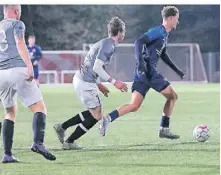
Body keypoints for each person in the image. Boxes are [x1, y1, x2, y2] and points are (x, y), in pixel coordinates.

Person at [100, 6, 185, 139]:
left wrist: (177, 70)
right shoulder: (158, 31)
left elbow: (163, 55)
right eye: (177, 19)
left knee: (134, 105)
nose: (177, 22)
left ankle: (108, 118)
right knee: (173, 96)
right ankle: (164, 128)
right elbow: (139, 42)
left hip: (142, 73)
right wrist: (141, 63)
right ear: (170, 18)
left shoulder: (164, 35)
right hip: (148, 71)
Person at [53, 16, 128, 150]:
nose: (124, 35)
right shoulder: (109, 45)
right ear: (120, 32)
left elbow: (93, 65)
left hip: (82, 79)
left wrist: (99, 84)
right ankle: (69, 141)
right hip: (85, 82)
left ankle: (62, 127)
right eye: (124, 32)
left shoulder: (104, 42)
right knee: (97, 115)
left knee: (93, 112)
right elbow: (97, 67)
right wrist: (114, 82)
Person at [0, 5, 56, 163]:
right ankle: (38, 143)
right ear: (16, 11)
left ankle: (7, 154)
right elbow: (20, 43)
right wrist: (29, 66)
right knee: (40, 108)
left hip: (1, 73)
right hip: (17, 69)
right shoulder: (17, 24)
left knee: (10, 112)